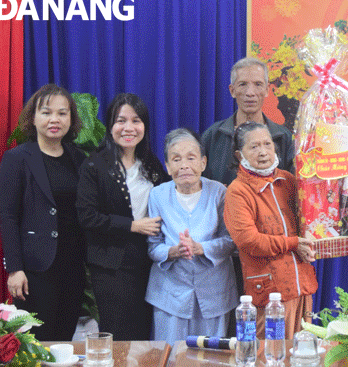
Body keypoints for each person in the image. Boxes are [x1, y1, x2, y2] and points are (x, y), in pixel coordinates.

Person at [0, 84, 87, 341]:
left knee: (63, 340)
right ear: (33, 118)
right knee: (37, 341)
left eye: (62, 113)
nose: (54, 120)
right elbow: (8, 216)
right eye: (46, 113)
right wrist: (14, 269)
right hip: (35, 269)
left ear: (71, 118)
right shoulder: (17, 159)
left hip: (73, 266)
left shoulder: (78, 158)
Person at [76, 93, 169, 340]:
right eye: (121, 120)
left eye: (136, 121)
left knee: (143, 331)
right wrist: (133, 226)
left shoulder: (151, 165)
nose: (129, 128)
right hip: (110, 264)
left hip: (148, 261)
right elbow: (87, 217)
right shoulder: (94, 165)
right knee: (118, 333)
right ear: (110, 125)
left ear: (145, 127)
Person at [223, 121, 318, 339]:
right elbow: (249, 241)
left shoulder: (288, 180)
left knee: (302, 353)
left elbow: (311, 221)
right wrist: (294, 243)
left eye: (267, 143)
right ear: (239, 155)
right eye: (254, 146)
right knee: (269, 355)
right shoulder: (237, 191)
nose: (263, 152)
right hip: (270, 293)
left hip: (301, 285)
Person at [145, 128, 238, 345]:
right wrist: (172, 251)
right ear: (167, 167)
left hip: (215, 293)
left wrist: (200, 248)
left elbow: (231, 240)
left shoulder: (219, 192)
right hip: (170, 295)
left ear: (203, 163)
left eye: (191, 157)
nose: (184, 165)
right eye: (176, 159)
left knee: (211, 357)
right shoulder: (157, 195)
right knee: (171, 357)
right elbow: (152, 246)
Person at [200, 57, 294, 186]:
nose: (250, 93)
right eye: (243, 84)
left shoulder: (283, 137)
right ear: (232, 90)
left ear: (267, 90)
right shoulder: (213, 136)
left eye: (258, 84)